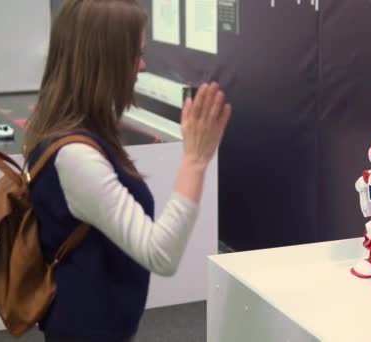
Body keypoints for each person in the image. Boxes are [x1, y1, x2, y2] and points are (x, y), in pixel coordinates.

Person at [22, 0, 231, 341]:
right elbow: (160, 254)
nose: (142, 65)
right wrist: (195, 159)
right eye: (136, 54)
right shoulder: (76, 156)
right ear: (104, 60)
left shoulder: (62, 128)